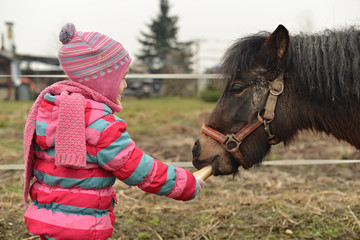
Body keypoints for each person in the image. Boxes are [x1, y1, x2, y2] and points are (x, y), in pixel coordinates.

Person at [23, 23, 205, 240]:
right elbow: (140, 169)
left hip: (48, 222)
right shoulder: (99, 124)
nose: (125, 85)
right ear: (102, 80)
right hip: (82, 229)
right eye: (122, 77)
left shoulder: (51, 111)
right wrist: (185, 183)